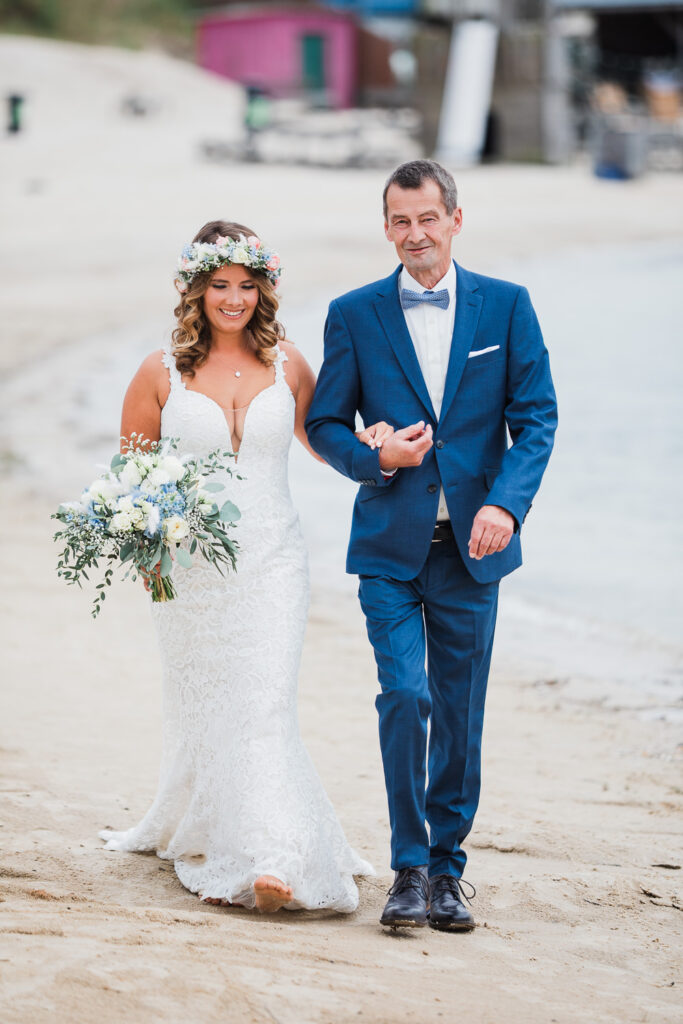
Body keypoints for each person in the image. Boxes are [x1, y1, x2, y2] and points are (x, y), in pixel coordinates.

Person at [99, 220, 391, 913]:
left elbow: (324, 441)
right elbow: (132, 477)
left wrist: (373, 442)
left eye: (246, 286)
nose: (234, 299)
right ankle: (216, 821)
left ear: (264, 289)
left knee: (263, 702)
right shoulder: (158, 371)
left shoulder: (288, 363)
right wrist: (149, 559)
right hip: (190, 575)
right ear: (196, 291)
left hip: (273, 559)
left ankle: (273, 857)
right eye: (220, 286)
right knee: (211, 709)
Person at [305, 160, 557, 931]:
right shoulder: (352, 313)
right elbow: (322, 425)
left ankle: (447, 873)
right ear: (385, 228)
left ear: (453, 218)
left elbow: (536, 419)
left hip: (471, 551)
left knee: (457, 712)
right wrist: (376, 456)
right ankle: (406, 869)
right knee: (405, 697)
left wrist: (507, 509)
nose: (414, 234)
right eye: (399, 221)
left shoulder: (507, 307)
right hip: (387, 542)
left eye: (427, 218)